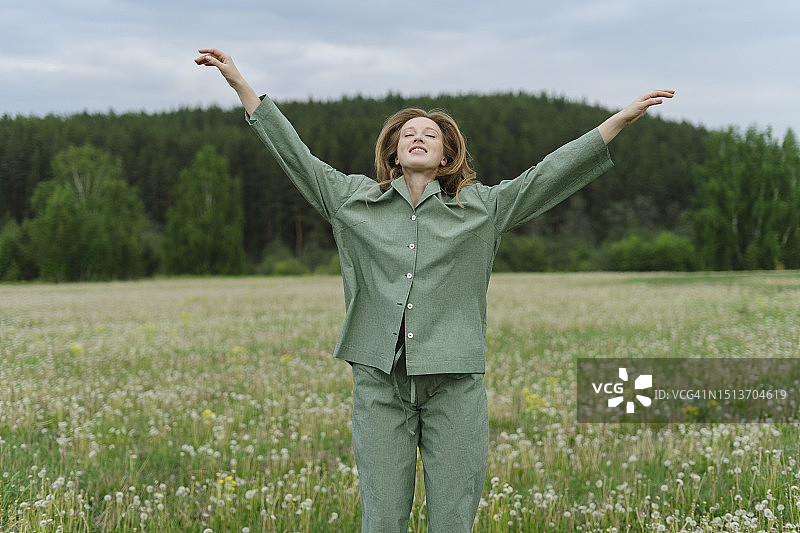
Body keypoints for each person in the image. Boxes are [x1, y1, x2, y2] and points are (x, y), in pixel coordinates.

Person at [195, 48, 674, 533]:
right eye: (408, 134)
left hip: (456, 385)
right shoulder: (351, 202)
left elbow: (547, 175)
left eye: (430, 135)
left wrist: (620, 120)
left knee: (452, 522)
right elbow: (294, 154)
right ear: (393, 154)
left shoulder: (482, 209)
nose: (418, 138)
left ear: (446, 156)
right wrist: (239, 83)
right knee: (382, 521)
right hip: (380, 383)